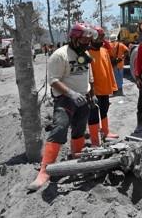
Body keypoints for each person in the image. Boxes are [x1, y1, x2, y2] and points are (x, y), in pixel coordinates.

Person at [27, 23, 96, 191]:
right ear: (74, 38)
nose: (87, 43)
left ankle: (75, 159)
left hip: (83, 98)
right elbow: (54, 80)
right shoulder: (60, 55)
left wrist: (91, 94)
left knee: (79, 130)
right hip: (65, 99)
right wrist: (72, 94)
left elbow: (89, 76)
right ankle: (45, 170)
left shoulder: (85, 53)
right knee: (60, 128)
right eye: (84, 40)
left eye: (88, 40)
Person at [87, 26, 119, 146]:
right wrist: (91, 91)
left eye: (102, 37)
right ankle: (95, 140)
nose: (101, 40)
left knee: (104, 110)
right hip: (93, 91)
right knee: (93, 114)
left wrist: (112, 86)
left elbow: (109, 69)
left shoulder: (104, 50)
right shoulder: (87, 53)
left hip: (105, 88)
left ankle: (106, 132)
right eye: (99, 37)